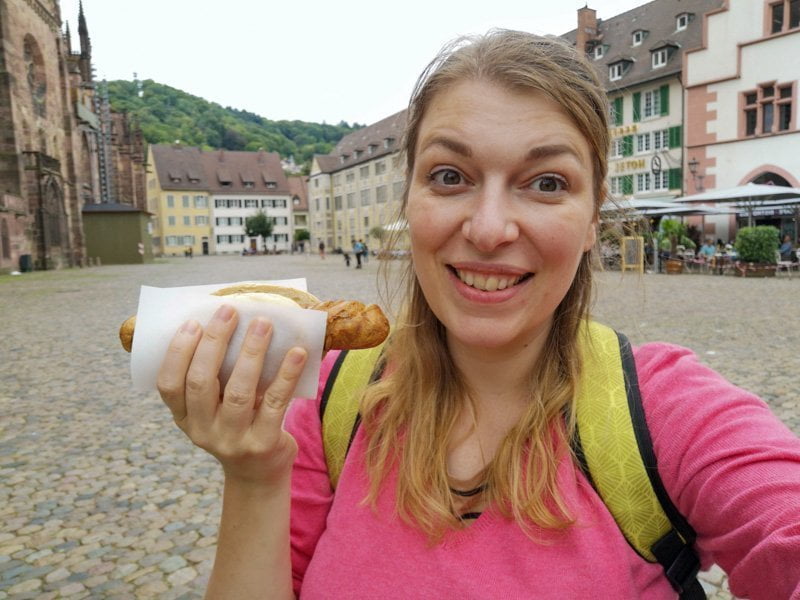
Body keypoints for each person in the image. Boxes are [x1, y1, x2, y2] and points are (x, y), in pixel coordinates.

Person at [156, 30, 800, 599]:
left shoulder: (666, 411)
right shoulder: (327, 400)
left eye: (547, 182)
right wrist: (253, 476)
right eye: (449, 176)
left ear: (592, 218)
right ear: (410, 197)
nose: (489, 229)